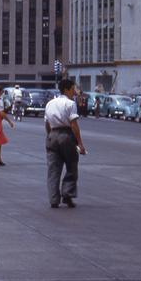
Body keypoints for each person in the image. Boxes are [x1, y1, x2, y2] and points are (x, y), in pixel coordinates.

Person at [44, 79, 87, 208]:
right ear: (67, 89)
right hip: (66, 136)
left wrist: (50, 135)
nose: (74, 91)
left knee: (53, 169)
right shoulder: (70, 103)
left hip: (52, 135)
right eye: (73, 89)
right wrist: (80, 143)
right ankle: (67, 195)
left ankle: (53, 199)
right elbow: (74, 125)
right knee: (71, 165)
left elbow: (47, 123)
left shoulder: (50, 103)